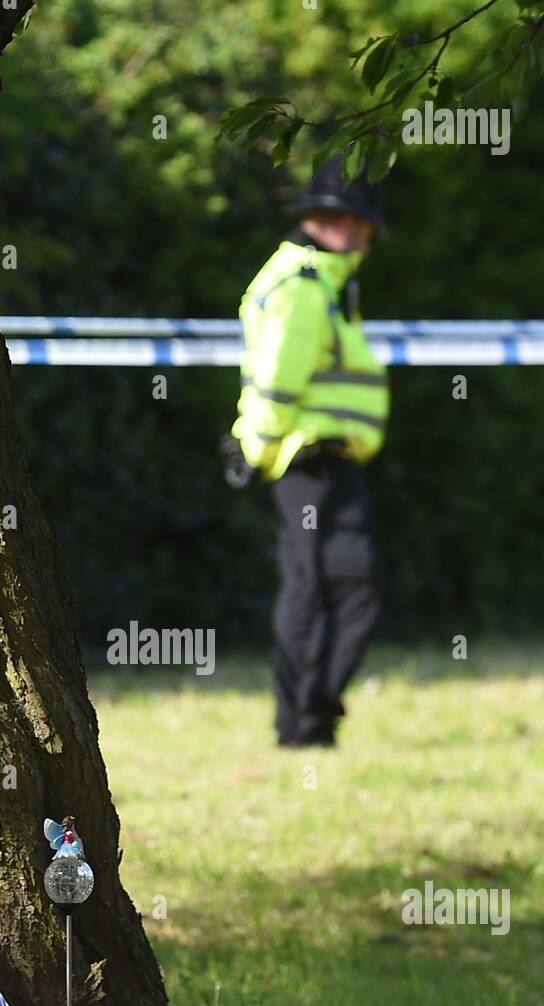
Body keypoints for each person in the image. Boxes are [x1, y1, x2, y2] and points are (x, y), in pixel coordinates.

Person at [226, 159, 389, 747]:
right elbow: (278, 380)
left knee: (335, 591)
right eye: (365, 226)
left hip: (327, 463)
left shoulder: (323, 283)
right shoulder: (302, 285)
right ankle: (302, 726)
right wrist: (258, 448)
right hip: (307, 462)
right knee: (329, 592)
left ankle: (310, 720)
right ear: (341, 222)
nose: (369, 240)